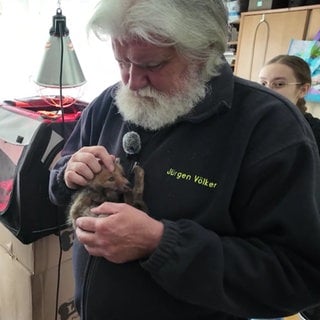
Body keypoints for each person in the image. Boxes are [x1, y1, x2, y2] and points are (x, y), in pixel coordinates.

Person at [49, 1, 320, 320]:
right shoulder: (107, 104)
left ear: (204, 52)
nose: (132, 81)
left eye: (152, 65)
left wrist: (161, 244)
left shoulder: (270, 128)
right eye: (122, 61)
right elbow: (59, 183)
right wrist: (67, 174)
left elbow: (298, 276)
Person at [258, 54, 320, 152]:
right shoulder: (254, 124)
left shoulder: (315, 132)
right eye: (263, 83)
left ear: (303, 90)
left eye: (279, 84)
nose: (267, 90)